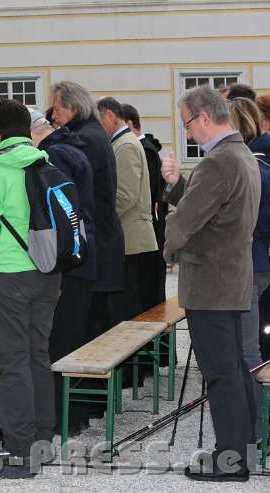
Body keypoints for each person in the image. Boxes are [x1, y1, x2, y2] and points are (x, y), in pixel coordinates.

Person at [162, 85, 259, 482]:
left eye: (187, 124)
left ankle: (230, 461)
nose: (187, 134)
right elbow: (213, 211)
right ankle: (245, 448)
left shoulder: (219, 161)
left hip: (212, 284)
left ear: (204, 118)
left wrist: (167, 247)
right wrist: (178, 188)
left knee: (221, 373)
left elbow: (185, 222)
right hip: (230, 279)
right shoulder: (241, 154)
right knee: (235, 368)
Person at [0, 99, 60, 465]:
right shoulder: (43, 161)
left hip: (10, 272)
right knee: (39, 353)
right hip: (47, 271)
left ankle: (20, 442)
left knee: (12, 357)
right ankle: (42, 435)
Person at [30, 109, 97, 437]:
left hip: (71, 259)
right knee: (75, 339)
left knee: (61, 344)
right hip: (85, 252)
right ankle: (78, 415)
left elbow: (58, 213)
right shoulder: (73, 148)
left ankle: (64, 419)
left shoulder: (54, 155)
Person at [51, 81, 125, 351]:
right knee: (91, 326)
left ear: (73, 107)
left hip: (95, 247)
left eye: (57, 109)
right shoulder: (92, 133)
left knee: (83, 332)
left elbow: (76, 199)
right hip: (101, 242)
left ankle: (82, 391)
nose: (54, 116)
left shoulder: (83, 140)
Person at [228, 97, 270, 441]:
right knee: (248, 348)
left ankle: (255, 430)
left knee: (246, 350)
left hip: (247, 263)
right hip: (257, 261)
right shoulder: (259, 163)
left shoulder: (252, 166)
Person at [97, 97, 158, 319]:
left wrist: (101, 218)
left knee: (127, 307)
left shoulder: (125, 145)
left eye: (99, 120)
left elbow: (125, 196)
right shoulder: (123, 143)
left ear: (111, 116)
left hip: (131, 238)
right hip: (129, 236)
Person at [122, 103, 168, 306]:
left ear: (130, 124)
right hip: (149, 229)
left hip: (147, 230)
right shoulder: (146, 148)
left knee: (146, 291)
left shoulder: (143, 150)